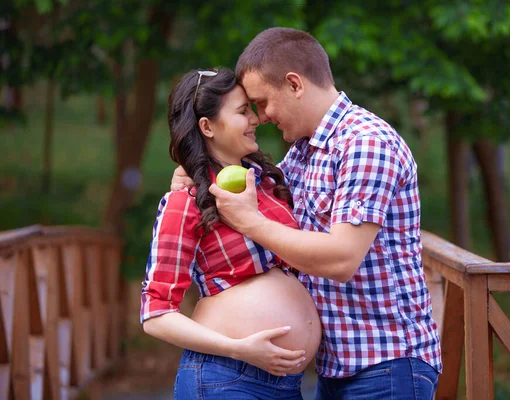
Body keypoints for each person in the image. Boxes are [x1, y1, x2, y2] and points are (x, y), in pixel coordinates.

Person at [172, 27, 442, 400]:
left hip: (384, 363)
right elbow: (251, 197)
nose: (261, 117)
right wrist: (193, 177)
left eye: (263, 102)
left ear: (295, 84)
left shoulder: (365, 143)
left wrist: (251, 221)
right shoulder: (301, 154)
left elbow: (342, 258)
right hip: (337, 366)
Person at [141, 67, 322, 400]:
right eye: (242, 112)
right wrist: (238, 348)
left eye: (252, 108)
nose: (256, 119)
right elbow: (156, 314)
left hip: (285, 385)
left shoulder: (268, 184)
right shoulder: (185, 202)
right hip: (226, 379)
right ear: (207, 127)